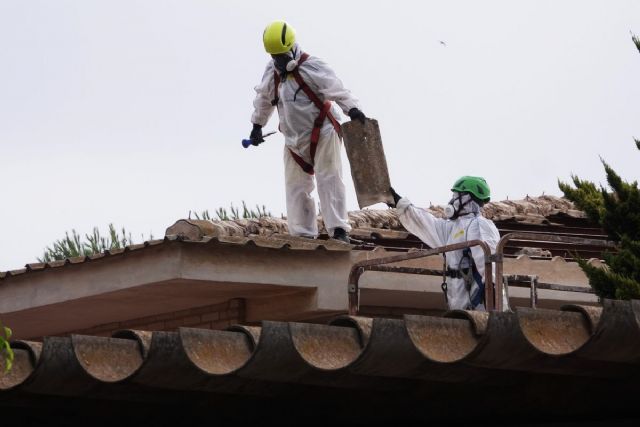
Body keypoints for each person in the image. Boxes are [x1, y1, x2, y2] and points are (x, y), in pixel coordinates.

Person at [249, 20, 366, 244]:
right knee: (295, 187)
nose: (279, 61)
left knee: (329, 178)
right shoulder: (272, 72)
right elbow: (264, 98)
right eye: (275, 57)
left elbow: (336, 88)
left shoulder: (312, 66)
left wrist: (352, 109)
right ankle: (303, 234)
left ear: (292, 48)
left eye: (282, 56)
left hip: (322, 132)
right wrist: (257, 126)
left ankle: (339, 230)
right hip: (293, 140)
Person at [388, 176, 502, 311]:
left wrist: (493, 293)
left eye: (456, 195)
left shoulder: (480, 224)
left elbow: (490, 261)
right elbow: (426, 223)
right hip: (459, 306)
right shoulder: (452, 228)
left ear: (467, 198)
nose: (453, 200)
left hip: (480, 306)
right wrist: (399, 203)